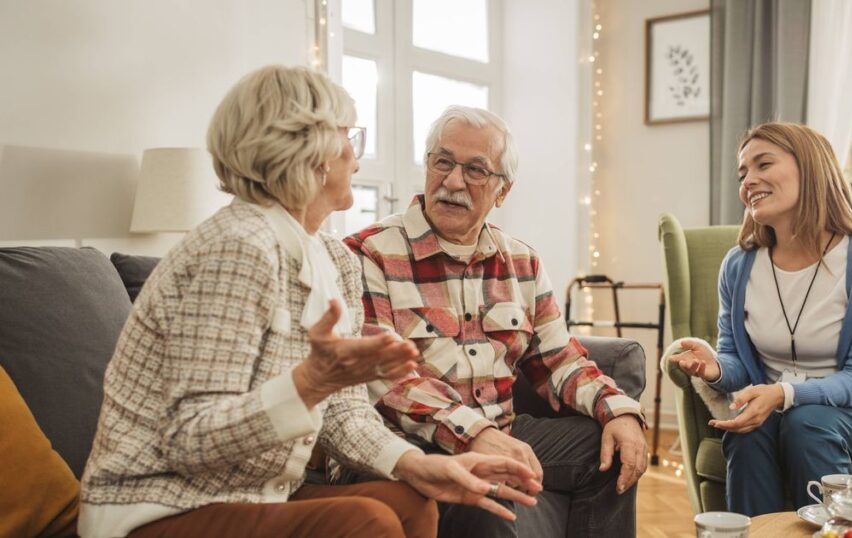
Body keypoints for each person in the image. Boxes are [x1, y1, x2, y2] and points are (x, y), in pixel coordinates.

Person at [78, 66, 540, 538]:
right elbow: (188, 438)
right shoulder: (235, 248)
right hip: (160, 503)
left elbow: (344, 413)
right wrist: (307, 384)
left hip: (258, 494)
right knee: (369, 521)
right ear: (311, 153)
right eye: (348, 139)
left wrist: (414, 464)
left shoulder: (336, 259)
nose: (356, 160)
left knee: (411, 502)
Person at [343, 105, 647, 538]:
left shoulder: (521, 261)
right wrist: (474, 435)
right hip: (409, 447)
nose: (452, 181)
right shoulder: (368, 254)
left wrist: (619, 411)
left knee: (613, 448)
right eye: (443, 162)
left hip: (503, 432)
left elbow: (560, 360)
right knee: (490, 492)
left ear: (502, 191)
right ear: (427, 166)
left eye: (475, 170)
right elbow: (386, 380)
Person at [666, 122, 852, 516]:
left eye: (763, 165)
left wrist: (784, 395)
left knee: (807, 423)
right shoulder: (738, 266)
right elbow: (739, 364)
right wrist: (716, 369)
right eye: (743, 174)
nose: (748, 181)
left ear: (810, 168)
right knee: (746, 433)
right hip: (786, 414)